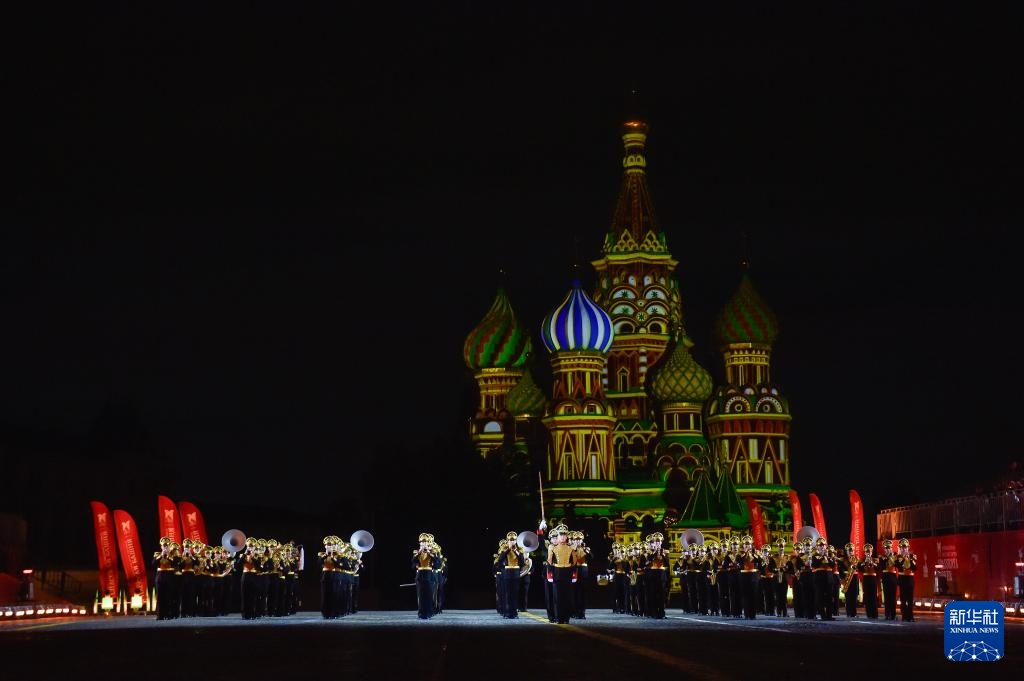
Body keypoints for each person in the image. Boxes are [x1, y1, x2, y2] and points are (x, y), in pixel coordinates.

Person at [546, 524, 574, 624]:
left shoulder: (571, 548)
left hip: (567, 573)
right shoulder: (552, 548)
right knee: (557, 597)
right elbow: (549, 561)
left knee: (567, 597)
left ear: (567, 536)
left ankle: (566, 618)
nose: (562, 537)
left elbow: (573, 562)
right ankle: (558, 618)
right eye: (560, 535)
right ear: (557, 536)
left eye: (564, 535)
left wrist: (573, 573)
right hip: (557, 572)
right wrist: (550, 574)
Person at [413, 532, 441, 619]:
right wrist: (418, 554)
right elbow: (413, 564)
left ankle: (429, 612)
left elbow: (437, 564)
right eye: (422, 542)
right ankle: (421, 613)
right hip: (420, 576)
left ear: (428, 543)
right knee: (420, 596)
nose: (423, 544)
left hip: (429, 575)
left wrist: (430, 553)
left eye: (425, 542)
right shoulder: (416, 552)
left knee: (429, 595)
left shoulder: (432, 552)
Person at [497, 531, 525, 618]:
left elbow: (522, 562)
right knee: (507, 594)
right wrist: (508, 549)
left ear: (516, 541)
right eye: (510, 540)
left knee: (515, 594)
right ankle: (507, 613)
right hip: (507, 573)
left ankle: (514, 613)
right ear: (507, 541)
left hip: (516, 573)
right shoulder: (504, 548)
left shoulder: (520, 549)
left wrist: (516, 551)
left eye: (513, 540)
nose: (512, 542)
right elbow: (500, 559)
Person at [642, 532, 670, 619]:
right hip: (652, 575)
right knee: (653, 594)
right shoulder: (649, 552)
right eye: (655, 541)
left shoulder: (665, 552)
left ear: (661, 542)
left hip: (661, 574)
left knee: (662, 595)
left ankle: (661, 613)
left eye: (659, 541)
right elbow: (647, 563)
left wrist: (662, 554)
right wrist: (655, 553)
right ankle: (653, 612)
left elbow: (667, 564)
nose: (657, 542)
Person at [152, 537, 181, 620]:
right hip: (160, 577)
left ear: (169, 547)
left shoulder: (173, 555)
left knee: (169, 596)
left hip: (170, 577)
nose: (165, 547)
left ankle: (169, 614)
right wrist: (161, 555)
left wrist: (168, 556)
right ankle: (160, 615)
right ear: (161, 547)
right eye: (164, 546)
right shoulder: (157, 554)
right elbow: (153, 564)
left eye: (167, 546)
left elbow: (176, 564)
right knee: (160, 597)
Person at [894, 538, 917, 622]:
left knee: (910, 600)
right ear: (900, 548)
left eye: (905, 547)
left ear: (908, 548)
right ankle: (904, 615)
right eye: (902, 548)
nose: (904, 549)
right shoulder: (897, 557)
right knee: (903, 600)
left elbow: (915, 568)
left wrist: (910, 560)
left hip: (910, 579)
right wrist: (903, 559)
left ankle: (910, 616)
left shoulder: (912, 556)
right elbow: (898, 566)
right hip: (902, 579)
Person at [879, 538, 899, 621]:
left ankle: (893, 615)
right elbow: (881, 567)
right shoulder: (882, 557)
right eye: (886, 548)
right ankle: (887, 614)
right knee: (887, 597)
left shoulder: (895, 556)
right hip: (886, 577)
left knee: (893, 597)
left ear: (891, 548)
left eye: (889, 548)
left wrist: (891, 557)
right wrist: (886, 558)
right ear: (884, 549)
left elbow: (898, 565)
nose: (887, 549)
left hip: (893, 577)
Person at [839, 543, 860, 618]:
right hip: (846, 578)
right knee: (848, 597)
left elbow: (859, 569)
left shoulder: (856, 559)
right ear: (846, 551)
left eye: (852, 551)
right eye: (849, 551)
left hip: (854, 578)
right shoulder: (842, 560)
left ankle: (854, 613)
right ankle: (848, 613)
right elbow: (840, 570)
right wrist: (842, 579)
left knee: (854, 596)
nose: (850, 552)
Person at [859, 542, 879, 619]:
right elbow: (860, 569)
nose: (868, 553)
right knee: (867, 596)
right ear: (864, 552)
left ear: (871, 552)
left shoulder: (875, 560)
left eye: (869, 552)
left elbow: (878, 569)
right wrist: (864, 562)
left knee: (873, 596)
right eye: (867, 552)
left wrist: (873, 563)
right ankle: (869, 614)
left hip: (873, 579)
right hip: (866, 579)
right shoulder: (862, 560)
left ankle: (875, 614)